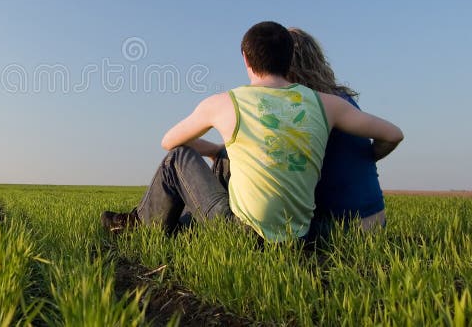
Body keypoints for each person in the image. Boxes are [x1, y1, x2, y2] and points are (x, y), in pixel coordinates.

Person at [101, 21, 403, 243]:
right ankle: (179, 226)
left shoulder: (227, 102)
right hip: (304, 235)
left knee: (177, 158)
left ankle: (141, 225)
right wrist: (369, 156)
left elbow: (169, 142)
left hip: (270, 234)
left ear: (246, 59)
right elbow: (394, 134)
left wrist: (209, 146)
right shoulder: (330, 104)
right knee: (229, 158)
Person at [287, 28, 386, 235]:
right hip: (376, 219)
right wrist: (366, 158)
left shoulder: (306, 105)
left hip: (340, 227)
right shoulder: (341, 99)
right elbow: (391, 137)